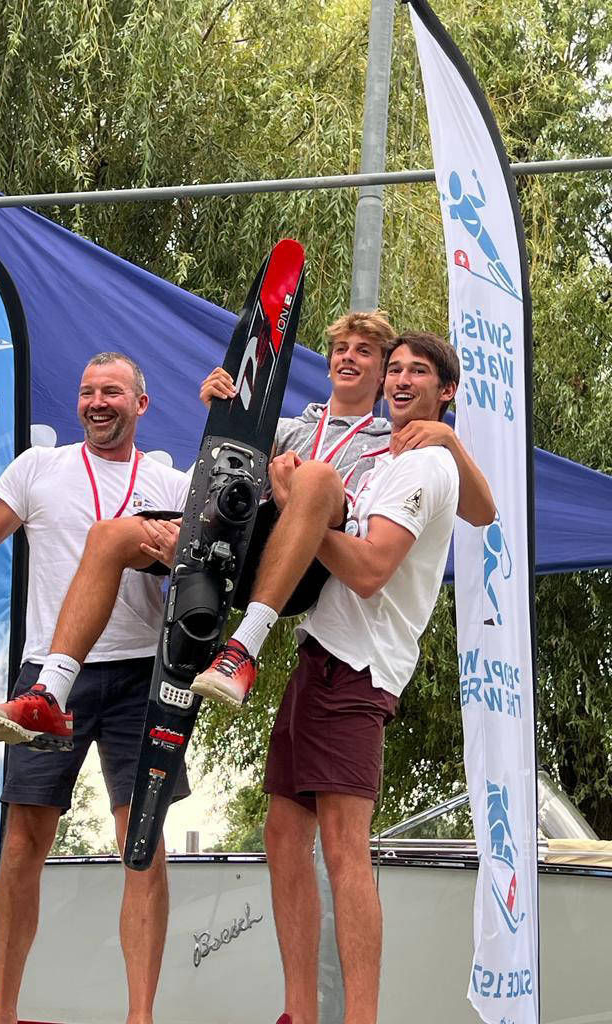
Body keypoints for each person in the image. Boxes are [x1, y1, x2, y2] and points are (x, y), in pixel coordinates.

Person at [0, 312, 491, 742]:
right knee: (110, 534)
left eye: (364, 351)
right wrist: (226, 415)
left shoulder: (399, 437)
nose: (348, 358)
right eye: (340, 349)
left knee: (315, 476)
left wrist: (449, 438)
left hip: (304, 568)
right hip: (239, 546)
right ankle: (50, 692)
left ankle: (243, 649)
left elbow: (482, 511)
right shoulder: (288, 426)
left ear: (382, 374)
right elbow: (220, 482)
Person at [0, 352, 189, 1024]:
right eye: (87, 391)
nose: (97, 402)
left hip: (141, 676)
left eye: (112, 391)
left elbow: (207, 585)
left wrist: (177, 560)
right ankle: (5, 1014)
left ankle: (141, 1017)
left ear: (142, 404)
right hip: (48, 676)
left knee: (142, 844)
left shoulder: (171, 482)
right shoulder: (38, 468)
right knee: (23, 844)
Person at [195, 330, 469, 1024]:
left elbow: (371, 571)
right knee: (283, 836)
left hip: (359, 667)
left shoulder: (426, 464)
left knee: (346, 850)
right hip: (321, 654)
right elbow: (486, 509)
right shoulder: (391, 458)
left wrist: (302, 510)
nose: (400, 379)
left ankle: (360, 1017)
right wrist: (228, 409)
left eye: (416, 371)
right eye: (395, 368)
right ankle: (299, 1012)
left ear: (444, 392)